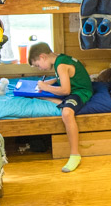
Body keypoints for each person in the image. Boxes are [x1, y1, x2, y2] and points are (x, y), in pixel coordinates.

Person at [29, 42, 93, 173]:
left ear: (42, 57)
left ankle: (75, 155)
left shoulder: (61, 65)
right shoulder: (60, 58)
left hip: (81, 92)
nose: (39, 68)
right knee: (44, 95)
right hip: (75, 88)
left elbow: (65, 90)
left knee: (67, 114)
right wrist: (51, 82)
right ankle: (51, 98)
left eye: (37, 65)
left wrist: (46, 87)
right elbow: (65, 77)